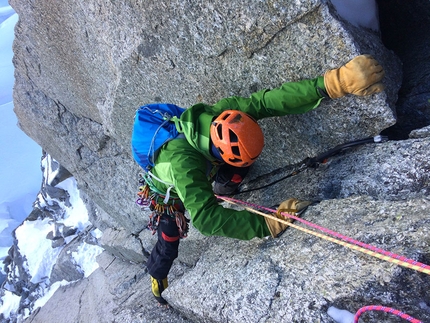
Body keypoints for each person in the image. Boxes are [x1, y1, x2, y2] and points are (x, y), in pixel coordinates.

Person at [140, 54, 385, 305]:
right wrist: (267, 224)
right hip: (168, 194)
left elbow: (269, 102)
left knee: (238, 168)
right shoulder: (184, 164)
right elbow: (206, 219)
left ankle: (227, 185)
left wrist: (333, 83)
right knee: (169, 237)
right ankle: (158, 278)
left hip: (206, 164)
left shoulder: (224, 114)